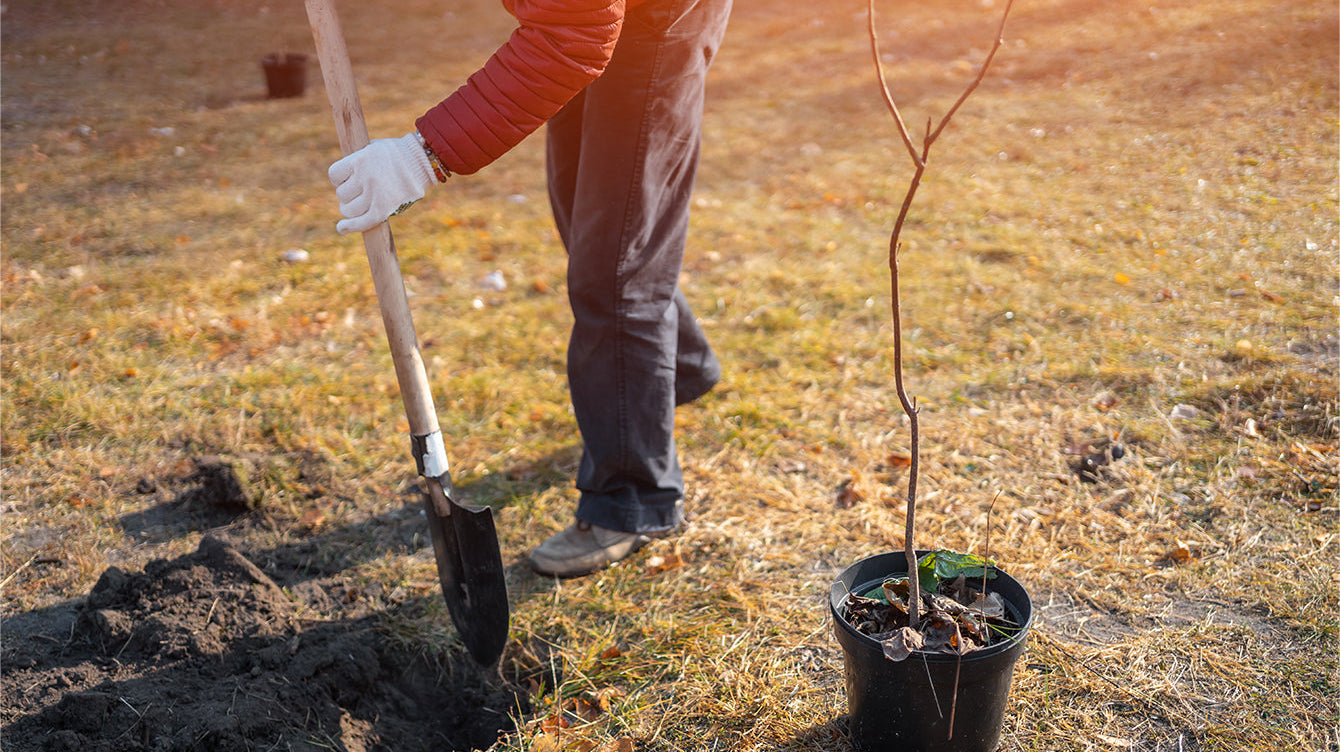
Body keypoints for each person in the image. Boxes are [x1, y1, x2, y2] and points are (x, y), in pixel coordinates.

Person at [327, 0, 731, 578]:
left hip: (654, 14)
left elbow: (574, 34)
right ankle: (678, 370)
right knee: (585, 209)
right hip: (593, 13)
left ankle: (633, 500)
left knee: (614, 263)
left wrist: (427, 153)